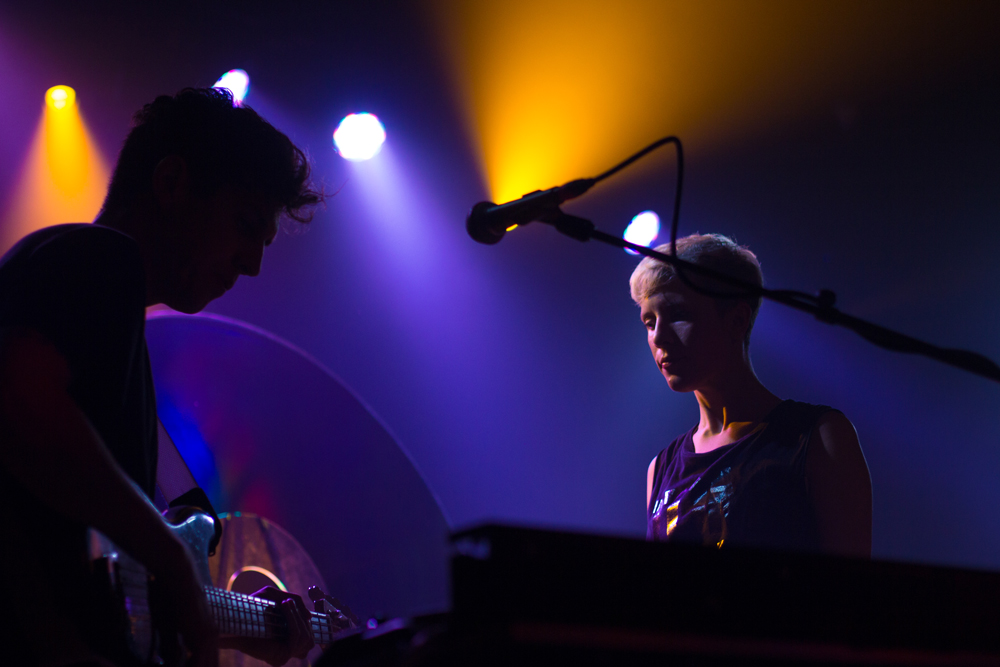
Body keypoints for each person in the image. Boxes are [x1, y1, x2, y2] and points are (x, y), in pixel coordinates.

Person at [0, 88, 334, 666]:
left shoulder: (117, 332)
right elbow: (16, 400)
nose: (253, 263)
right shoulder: (96, 256)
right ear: (172, 182)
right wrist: (174, 560)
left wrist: (229, 620)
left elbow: (101, 586)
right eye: (245, 224)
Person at [632, 234, 872, 556]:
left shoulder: (818, 438)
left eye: (678, 314)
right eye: (649, 322)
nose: (659, 336)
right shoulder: (660, 468)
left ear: (737, 320)